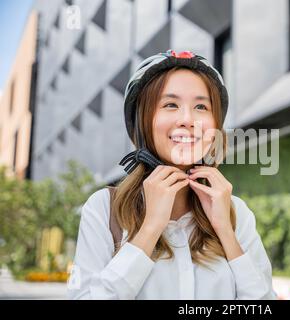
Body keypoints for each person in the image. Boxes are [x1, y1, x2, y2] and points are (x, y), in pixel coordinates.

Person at [67, 49, 277, 300]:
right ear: (143, 121)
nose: (188, 119)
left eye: (201, 106)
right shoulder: (104, 208)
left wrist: (226, 232)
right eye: (170, 104)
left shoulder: (236, 213)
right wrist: (151, 226)